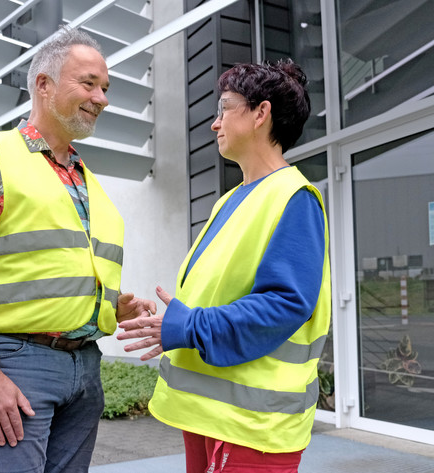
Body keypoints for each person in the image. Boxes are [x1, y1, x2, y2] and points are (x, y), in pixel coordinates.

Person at [0, 26, 155, 473]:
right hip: (16, 365)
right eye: (88, 83)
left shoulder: (84, 178)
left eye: (105, 88)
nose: (102, 98)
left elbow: (51, 266)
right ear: (44, 84)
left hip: (85, 368)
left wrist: (110, 305)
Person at [118, 60, 331, 473]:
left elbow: (285, 304)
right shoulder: (231, 200)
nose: (214, 124)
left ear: (260, 114)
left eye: (224, 109)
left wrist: (186, 327)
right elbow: (220, 294)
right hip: (213, 415)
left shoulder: (293, 197)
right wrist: (171, 321)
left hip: (254, 424)